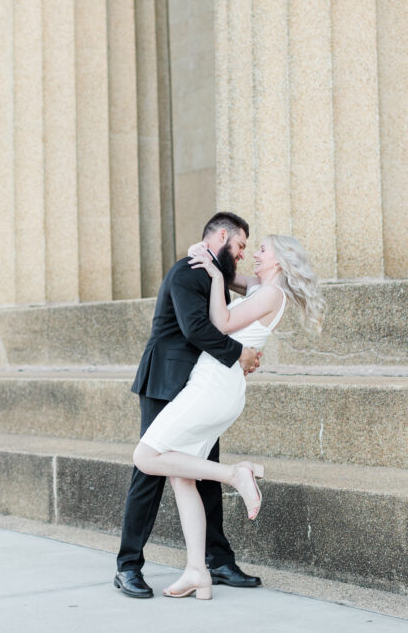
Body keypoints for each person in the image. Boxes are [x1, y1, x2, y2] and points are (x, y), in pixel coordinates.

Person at [131, 232, 324, 600]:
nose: (253, 254)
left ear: (280, 259)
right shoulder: (258, 286)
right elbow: (219, 265)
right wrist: (201, 253)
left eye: (262, 249)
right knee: (181, 477)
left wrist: (217, 279)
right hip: (216, 385)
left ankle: (235, 474)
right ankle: (196, 572)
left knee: (145, 456)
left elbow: (219, 323)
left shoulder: (271, 294)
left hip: (213, 387)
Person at [115, 212, 262, 599]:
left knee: (205, 472)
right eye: (242, 245)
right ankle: (128, 566)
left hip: (199, 389)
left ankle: (218, 561)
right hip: (166, 383)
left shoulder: (212, 272)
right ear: (223, 235)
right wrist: (240, 354)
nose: (244, 254)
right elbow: (195, 328)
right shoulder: (187, 271)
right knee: (148, 472)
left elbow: (253, 290)